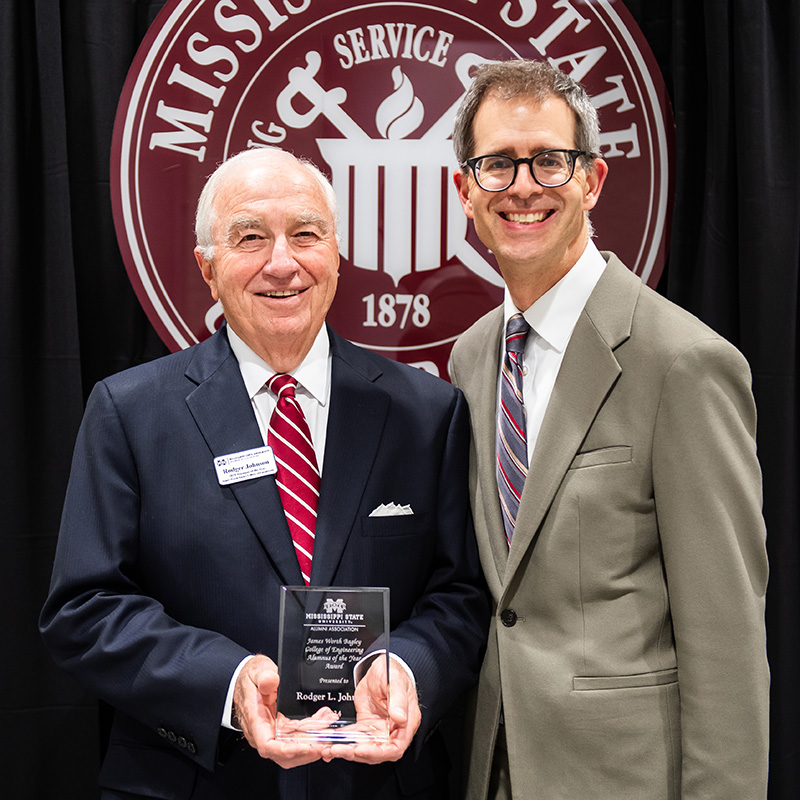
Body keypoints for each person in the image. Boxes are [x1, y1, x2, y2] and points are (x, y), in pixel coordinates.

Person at [40, 147, 489, 799]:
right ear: (208, 268)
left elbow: (464, 596)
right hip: (195, 780)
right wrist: (229, 682)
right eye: (250, 237)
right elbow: (83, 608)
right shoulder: (129, 412)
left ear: (336, 253)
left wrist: (409, 669)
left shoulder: (427, 412)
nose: (282, 262)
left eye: (305, 234)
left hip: (377, 783)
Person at [448, 59, 769, 799]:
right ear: (465, 193)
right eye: (496, 164)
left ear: (591, 181)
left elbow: (725, 642)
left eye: (548, 161)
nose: (522, 186)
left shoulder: (683, 363)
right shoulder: (471, 358)